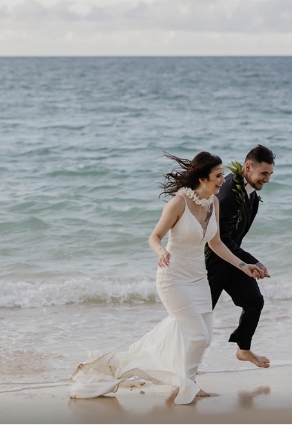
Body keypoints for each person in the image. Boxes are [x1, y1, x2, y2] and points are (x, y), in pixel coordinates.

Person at [69, 151, 264, 405]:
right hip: (173, 279)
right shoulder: (179, 203)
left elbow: (216, 243)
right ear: (203, 178)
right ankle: (188, 384)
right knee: (199, 337)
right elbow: (154, 237)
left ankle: (186, 380)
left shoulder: (213, 203)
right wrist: (161, 251)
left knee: (204, 335)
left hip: (198, 278)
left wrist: (243, 265)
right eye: (218, 176)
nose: (222, 180)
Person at [205, 145, 275, 369]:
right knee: (201, 320)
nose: (267, 179)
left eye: (270, 174)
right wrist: (252, 261)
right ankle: (185, 367)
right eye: (263, 173)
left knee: (254, 301)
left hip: (234, 262)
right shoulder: (227, 194)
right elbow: (220, 239)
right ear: (247, 167)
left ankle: (243, 349)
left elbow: (237, 236)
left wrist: (247, 263)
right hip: (212, 265)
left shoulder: (251, 193)